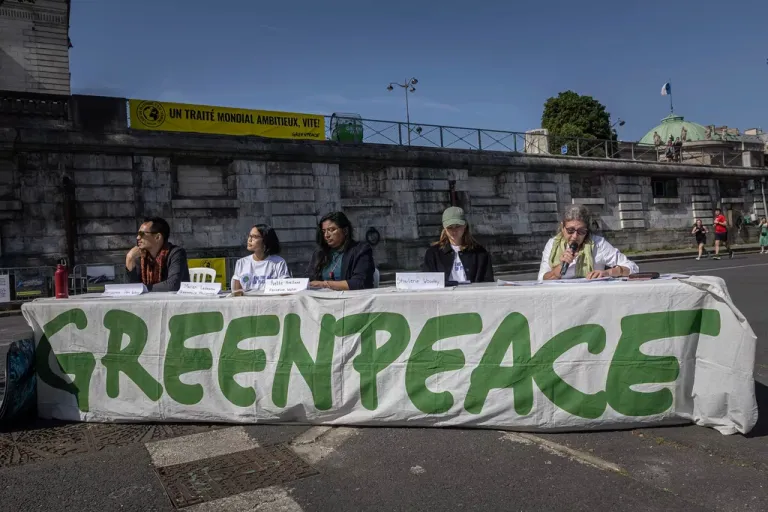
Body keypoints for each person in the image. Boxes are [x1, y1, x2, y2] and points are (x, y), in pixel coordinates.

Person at [538, 204, 639, 281]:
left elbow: (633, 267)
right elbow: (541, 279)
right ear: (562, 228)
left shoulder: (598, 244)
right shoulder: (552, 244)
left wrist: (607, 273)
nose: (575, 236)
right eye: (570, 230)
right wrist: (560, 267)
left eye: (581, 231)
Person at [421, 206, 494, 285]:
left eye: (458, 226)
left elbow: (488, 281)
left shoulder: (480, 253)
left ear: (465, 226)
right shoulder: (433, 253)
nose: (454, 231)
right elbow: (427, 282)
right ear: (444, 228)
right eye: (450, 227)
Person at [307, 212, 375, 290]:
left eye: (331, 230)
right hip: (322, 299)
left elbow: (360, 283)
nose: (326, 235)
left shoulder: (360, 250)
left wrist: (324, 284)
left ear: (345, 231)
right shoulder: (320, 253)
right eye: (324, 231)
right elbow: (309, 279)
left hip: (351, 299)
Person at [126, 217, 190, 292]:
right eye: (138, 233)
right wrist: (129, 259)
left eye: (142, 233)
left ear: (157, 237)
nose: (138, 237)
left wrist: (143, 288)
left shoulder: (176, 253)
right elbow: (133, 288)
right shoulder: (141, 255)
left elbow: (172, 285)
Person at [231, 224, 291, 294]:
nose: (249, 240)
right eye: (250, 236)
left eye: (255, 237)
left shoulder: (279, 262)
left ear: (265, 240)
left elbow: (285, 289)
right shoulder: (241, 263)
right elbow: (237, 293)